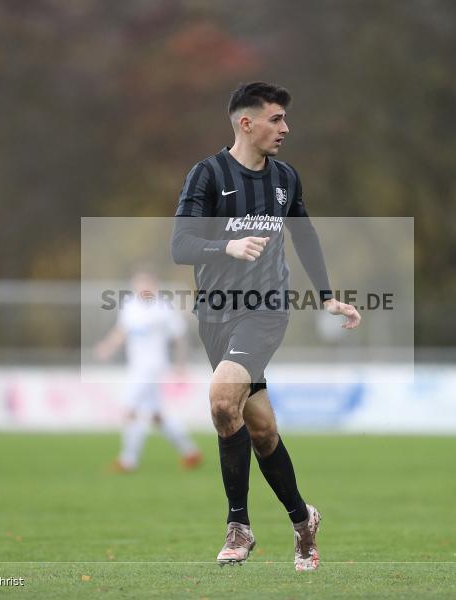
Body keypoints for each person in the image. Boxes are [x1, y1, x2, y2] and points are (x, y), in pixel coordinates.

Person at [171, 82, 361, 571]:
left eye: (285, 120)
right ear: (246, 123)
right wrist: (225, 246)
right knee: (259, 428)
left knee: (219, 398)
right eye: (276, 119)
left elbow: (305, 235)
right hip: (214, 315)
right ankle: (303, 520)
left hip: (266, 310)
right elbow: (181, 245)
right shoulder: (207, 175)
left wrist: (327, 296)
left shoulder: (286, 178)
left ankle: (239, 526)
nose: (285, 128)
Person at [94, 269, 202, 473]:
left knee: (129, 408)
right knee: (156, 415)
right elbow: (122, 331)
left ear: (154, 286)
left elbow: (179, 336)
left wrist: (180, 364)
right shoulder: (130, 306)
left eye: (146, 284)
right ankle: (190, 452)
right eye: (138, 284)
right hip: (137, 366)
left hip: (152, 367)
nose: (142, 288)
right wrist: (107, 347)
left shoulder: (163, 308)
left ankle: (128, 461)